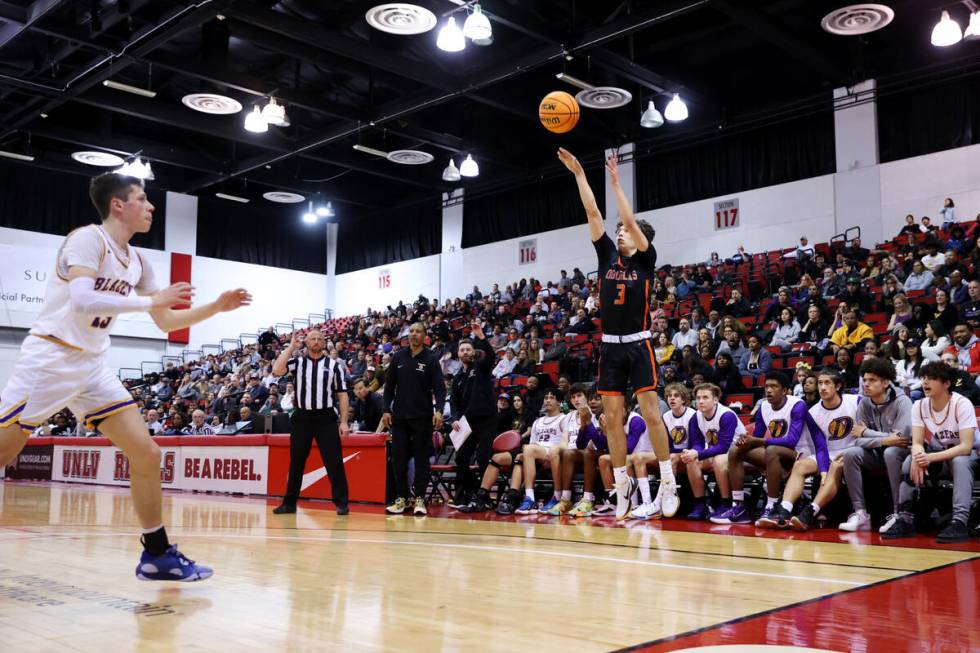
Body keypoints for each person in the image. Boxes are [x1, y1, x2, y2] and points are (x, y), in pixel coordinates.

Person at [0, 172, 251, 581]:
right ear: (119, 205)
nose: (151, 207)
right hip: (50, 358)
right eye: (143, 199)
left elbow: (167, 321)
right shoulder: (87, 239)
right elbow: (82, 301)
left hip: (92, 366)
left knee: (147, 453)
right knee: (3, 453)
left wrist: (215, 308)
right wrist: (151, 298)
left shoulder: (138, 261)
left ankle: (157, 555)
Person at [559, 147, 678, 520]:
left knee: (651, 413)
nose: (621, 231)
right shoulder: (606, 257)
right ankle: (623, 484)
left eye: (626, 229)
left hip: (639, 343)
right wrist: (580, 174)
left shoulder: (645, 258)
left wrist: (615, 182)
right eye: (620, 230)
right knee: (611, 418)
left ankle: (668, 479)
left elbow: (626, 215)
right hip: (610, 347)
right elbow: (593, 212)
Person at [881, 362, 979, 543]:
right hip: (942, 455)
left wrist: (928, 457)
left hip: (971, 457)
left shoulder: (962, 403)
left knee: (960, 461)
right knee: (910, 459)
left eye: (932, 378)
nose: (925, 382)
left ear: (947, 383)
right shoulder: (919, 405)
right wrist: (918, 457)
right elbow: (917, 442)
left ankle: (960, 521)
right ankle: (905, 518)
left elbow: (966, 446)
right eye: (923, 378)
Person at [712, 372, 814, 525]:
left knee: (772, 450)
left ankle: (771, 505)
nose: (769, 390)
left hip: (801, 455)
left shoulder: (797, 405)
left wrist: (757, 440)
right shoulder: (763, 407)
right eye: (766, 386)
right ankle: (739, 506)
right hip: (774, 453)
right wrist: (745, 440)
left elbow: (792, 440)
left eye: (774, 386)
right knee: (735, 450)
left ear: (785, 390)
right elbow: (757, 438)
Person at [761, 369, 857, 531]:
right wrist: (823, 468)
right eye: (820, 383)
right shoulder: (813, 412)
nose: (822, 387)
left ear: (838, 386)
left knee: (836, 467)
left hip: (852, 451)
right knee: (800, 466)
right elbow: (820, 445)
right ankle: (784, 510)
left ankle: (811, 510)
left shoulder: (856, 401)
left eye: (827, 383)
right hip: (826, 453)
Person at [271, 330, 350, 515]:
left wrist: (344, 422)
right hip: (302, 417)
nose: (316, 341)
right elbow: (276, 370)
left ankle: (342, 503)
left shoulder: (334, 365)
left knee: (334, 461)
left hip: (326, 417)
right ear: (306, 342)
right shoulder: (297, 363)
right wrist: (291, 347)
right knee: (296, 462)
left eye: (319, 339)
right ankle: (289, 503)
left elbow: (342, 395)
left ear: (324, 343)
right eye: (312, 339)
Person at [382, 322, 445, 516]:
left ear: (425, 336)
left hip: (422, 417)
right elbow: (389, 387)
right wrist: (386, 410)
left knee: (421, 460)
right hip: (400, 418)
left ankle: (419, 499)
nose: (413, 334)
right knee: (398, 459)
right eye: (411, 331)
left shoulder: (431, 359)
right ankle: (401, 498)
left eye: (418, 331)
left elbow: (440, 389)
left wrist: (439, 411)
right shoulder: (398, 357)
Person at [447, 322, 497, 510]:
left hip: (486, 419)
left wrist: (482, 337)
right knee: (461, 459)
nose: (465, 352)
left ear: (473, 352)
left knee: (484, 458)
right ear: (458, 354)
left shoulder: (481, 367)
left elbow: (490, 357)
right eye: (462, 350)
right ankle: (466, 495)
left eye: (469, 349)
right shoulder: (458, 377)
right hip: (467, 423)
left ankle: (484, 497)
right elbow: (454, 402)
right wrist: (455, 419)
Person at [679, 383, 742, 520]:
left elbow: (724, 446)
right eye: (698, 398)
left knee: (718, 459)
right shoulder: (696, 417)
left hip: (737, 454)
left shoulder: (727, 415)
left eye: (705, 397)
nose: (700, 401)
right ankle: (700, 505)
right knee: (692, 461)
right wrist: (692, 453)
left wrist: (698, 453)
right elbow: (697, 442)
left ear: (715, 400)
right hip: (716, 452)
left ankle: (725, 504)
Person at [515, 389, 568, 514]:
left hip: (555, 453)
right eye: (546, 398)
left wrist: (552, 454)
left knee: (528, 449)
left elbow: (565, 442)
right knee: (523, 452)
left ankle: (532, 497)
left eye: (552, 397)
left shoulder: (564, 418)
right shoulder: (537, 422)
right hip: (537, 453)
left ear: (559, 402)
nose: (548, 400)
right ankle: (519, 495)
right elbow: (533, 443)